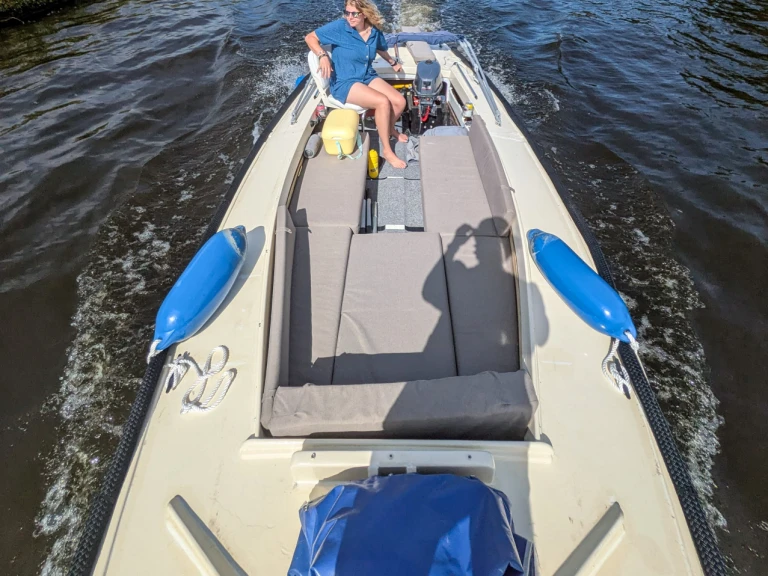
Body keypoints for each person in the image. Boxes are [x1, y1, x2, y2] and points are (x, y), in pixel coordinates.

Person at [305, 0, 408, 169]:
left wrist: (392, 62)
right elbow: (310, 37)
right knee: (382, 102)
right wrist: (322, 56)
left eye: (354, 13)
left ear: (364, 14)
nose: (349, 17)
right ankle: (387, 151)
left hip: (366, 75)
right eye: (347, 12)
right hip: (345, 81)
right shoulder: (340, 27)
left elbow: (379, 48)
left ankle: (389, 128)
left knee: (399, 101)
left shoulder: (374, 32)